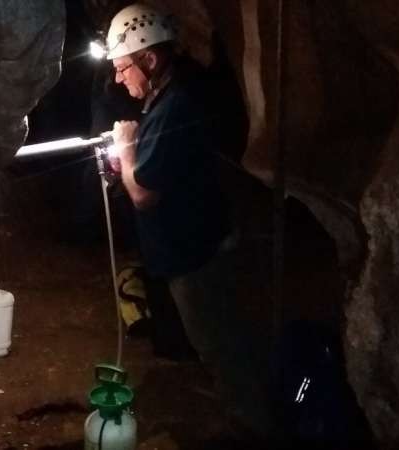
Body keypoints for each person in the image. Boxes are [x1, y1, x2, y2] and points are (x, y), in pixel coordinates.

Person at [103, 3, 271, 440]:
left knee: (221, 346)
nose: (120, 78)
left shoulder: (175, 105)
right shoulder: (171, 95)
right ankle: (246, 413)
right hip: (194, 243)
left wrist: (124, 149)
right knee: (220, 340)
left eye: (124, 68)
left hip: (196, 252)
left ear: (150, 59)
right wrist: (131, 152)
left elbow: (143, 194)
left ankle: (251, 429)